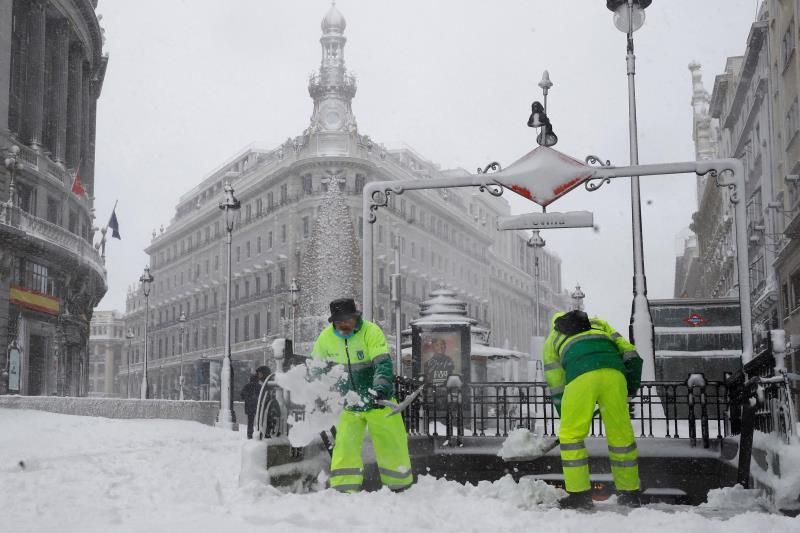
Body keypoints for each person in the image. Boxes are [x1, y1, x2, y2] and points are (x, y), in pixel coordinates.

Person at [543, 309, 643, 509]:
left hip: (581, 376)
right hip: (615, 374)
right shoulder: (600, 324)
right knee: (621, 435)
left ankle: (579, 496)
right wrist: (631, 384)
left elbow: (556, 381)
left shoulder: (552, 339)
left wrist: (566, 412)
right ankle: (629, 493)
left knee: (571, 437)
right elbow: (630, 352)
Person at [310, 298, 413, 493]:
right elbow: (316, 368)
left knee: (391, 442)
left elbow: (382, 363)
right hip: (349, 403)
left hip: (379, 401)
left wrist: (380, 388)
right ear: (333, 322)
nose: (344, 325)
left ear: (356, 317)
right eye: (339, 321)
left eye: (348, 320)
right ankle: (344, 488)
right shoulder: (325, 338)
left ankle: (399, 485)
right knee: (344, 446)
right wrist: (315, 391)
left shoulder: (371, 332)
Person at [240, 374, 261, 439]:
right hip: (258, 406)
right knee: (260, 421)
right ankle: (260, 434)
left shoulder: (247, 386)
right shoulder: (259, 386)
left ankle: (250, 435)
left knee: (250, 422)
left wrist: (248, 398)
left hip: (249, 406)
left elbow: (242, 395)